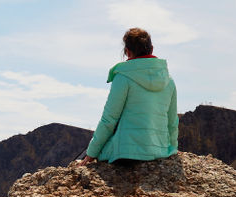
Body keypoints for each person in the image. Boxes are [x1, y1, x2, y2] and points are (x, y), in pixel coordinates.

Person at [74, 27, 178, 166]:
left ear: (127, 52)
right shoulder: (169, 81)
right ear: (151, 49)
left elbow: (109, 119)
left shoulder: (123, 77)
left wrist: (91, 154)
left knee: (93, 152)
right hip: (160, 151)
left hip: (126, 153)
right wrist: (172, 149)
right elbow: (172, 122)